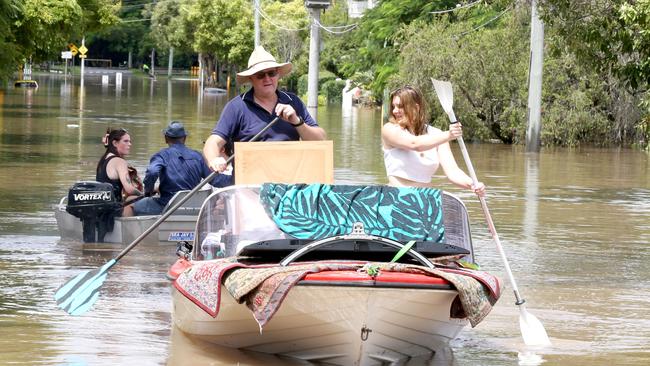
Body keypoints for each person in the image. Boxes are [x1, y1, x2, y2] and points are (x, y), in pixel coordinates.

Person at [204, 46, 327, 174]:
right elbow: (213, 142)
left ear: (278, 74)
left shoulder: (293, 101)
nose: (267, 79)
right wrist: (214, 160)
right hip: (249, 186)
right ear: (251, 78)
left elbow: (321, 140)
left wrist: (297, 122)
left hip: (289, 186)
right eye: (261, 75)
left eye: (271, 73)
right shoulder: (236, 107)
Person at [381, 85, 486, 195]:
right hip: (396, 198)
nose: (395, 111)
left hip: (425, 201)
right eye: (393, 106)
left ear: (416, 107)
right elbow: (415, 144)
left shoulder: (437, 135)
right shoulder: (389, 129)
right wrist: (449, 135)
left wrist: (472, 184)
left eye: (400, 106)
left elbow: (453, 172)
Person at [133, 121, 231, 216]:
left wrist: (148, 191)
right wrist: (236, 178)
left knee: (134, 207)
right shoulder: (198, 157)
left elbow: (152, 172)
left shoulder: (161, 156)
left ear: (166, 138)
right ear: (184, 138)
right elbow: (216, 180)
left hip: (166, 206)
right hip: (193, 208)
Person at [96, 128, 143, 216]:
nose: (129, 144)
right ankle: (129, 227)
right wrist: (143, 194)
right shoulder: (119, 161)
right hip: (114, 210)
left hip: (103, 208)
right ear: (115, 143)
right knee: (133, 198)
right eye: (125, 141)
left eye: (130, 141)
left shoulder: (103, 159)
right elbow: (129, 189)